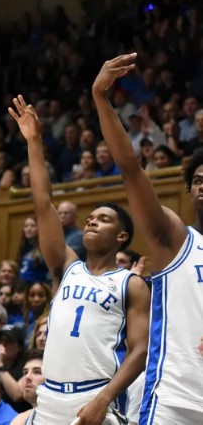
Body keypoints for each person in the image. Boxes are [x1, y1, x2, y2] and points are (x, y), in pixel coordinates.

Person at [9, 94, 150, 424]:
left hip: (94, 395)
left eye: (103, 219)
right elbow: (43, 203)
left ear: (122, 237)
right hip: (49, 398)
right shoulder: (66, 266)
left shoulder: (131, 283)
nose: (91, 221)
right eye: (90, 217)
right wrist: (34, 141)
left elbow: (140, 351)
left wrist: (104, 399)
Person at [91, 52, 203, 423]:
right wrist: (101, 99)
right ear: (189, 191)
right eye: (198, 180)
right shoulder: (175, 240)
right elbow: (131, 169)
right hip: (174, 398)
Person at [10, 350, 45, 425]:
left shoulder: (73, 417)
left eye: (37, 372)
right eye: (25, 373)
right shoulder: (19, 420)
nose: (27, 377)